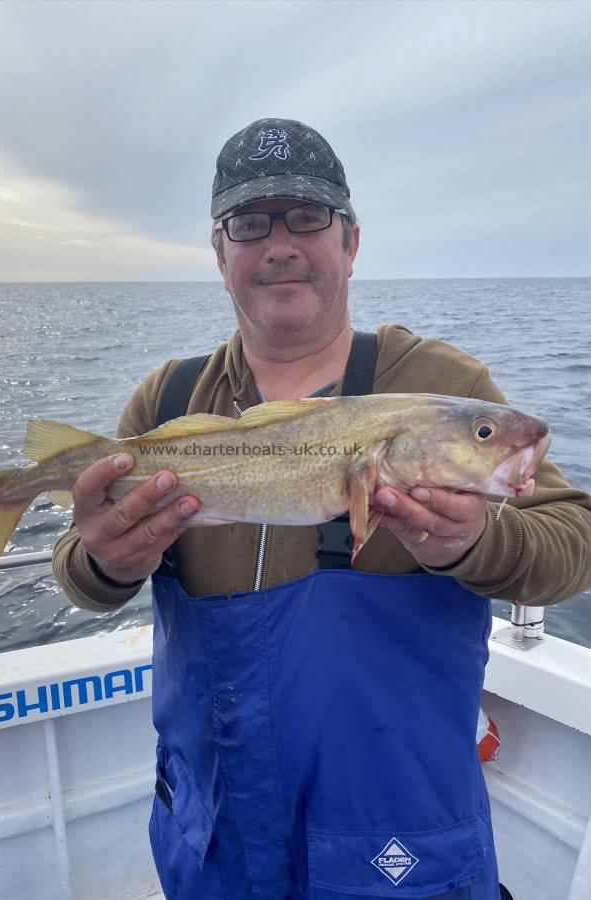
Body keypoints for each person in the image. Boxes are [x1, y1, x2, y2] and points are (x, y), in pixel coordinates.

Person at [53, 118, 591, 899]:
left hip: (398, 829)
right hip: (218, 829)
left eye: (307, 217)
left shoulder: (438, 382)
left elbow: (572, 539)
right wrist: (104, 562)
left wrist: (473, 541)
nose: (279, 244)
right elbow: (79, 568)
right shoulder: (168, 400)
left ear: (350, 240)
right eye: (248, 222)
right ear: (218, 251)